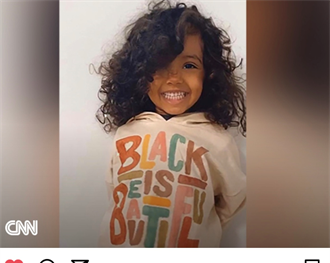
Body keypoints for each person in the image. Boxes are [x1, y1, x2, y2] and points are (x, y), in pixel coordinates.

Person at [97, 0, 246, 248]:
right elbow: (116, 192)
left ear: (208, 73)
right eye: (159, 66)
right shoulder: (126, 132)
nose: (174, 78)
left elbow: (232, 199)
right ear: (139, 73)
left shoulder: (217, 141)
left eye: (189, 65)